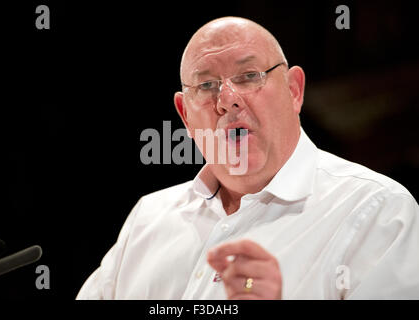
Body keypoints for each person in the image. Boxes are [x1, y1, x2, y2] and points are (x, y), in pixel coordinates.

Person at [76, 17, 419, 299]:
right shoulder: (148, 220)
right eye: (207, 86)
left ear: (294, 90)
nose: (227, 100)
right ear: (185, 116)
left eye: (249, 76)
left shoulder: (378, 210)